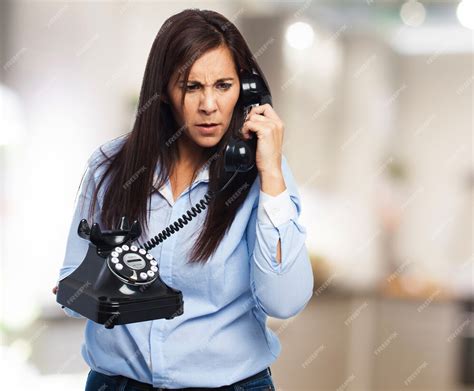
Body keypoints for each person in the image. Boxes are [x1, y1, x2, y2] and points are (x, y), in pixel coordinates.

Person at [53, 8, 314, 391]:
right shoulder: (109, 169)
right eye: (191, 87)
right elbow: (71, 284)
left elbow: (285, 301)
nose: (209, 105)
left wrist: (271, 174)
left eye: (223, 86)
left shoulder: (263, 172)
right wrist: (84, 291)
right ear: (163, 92)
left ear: (247, 89)